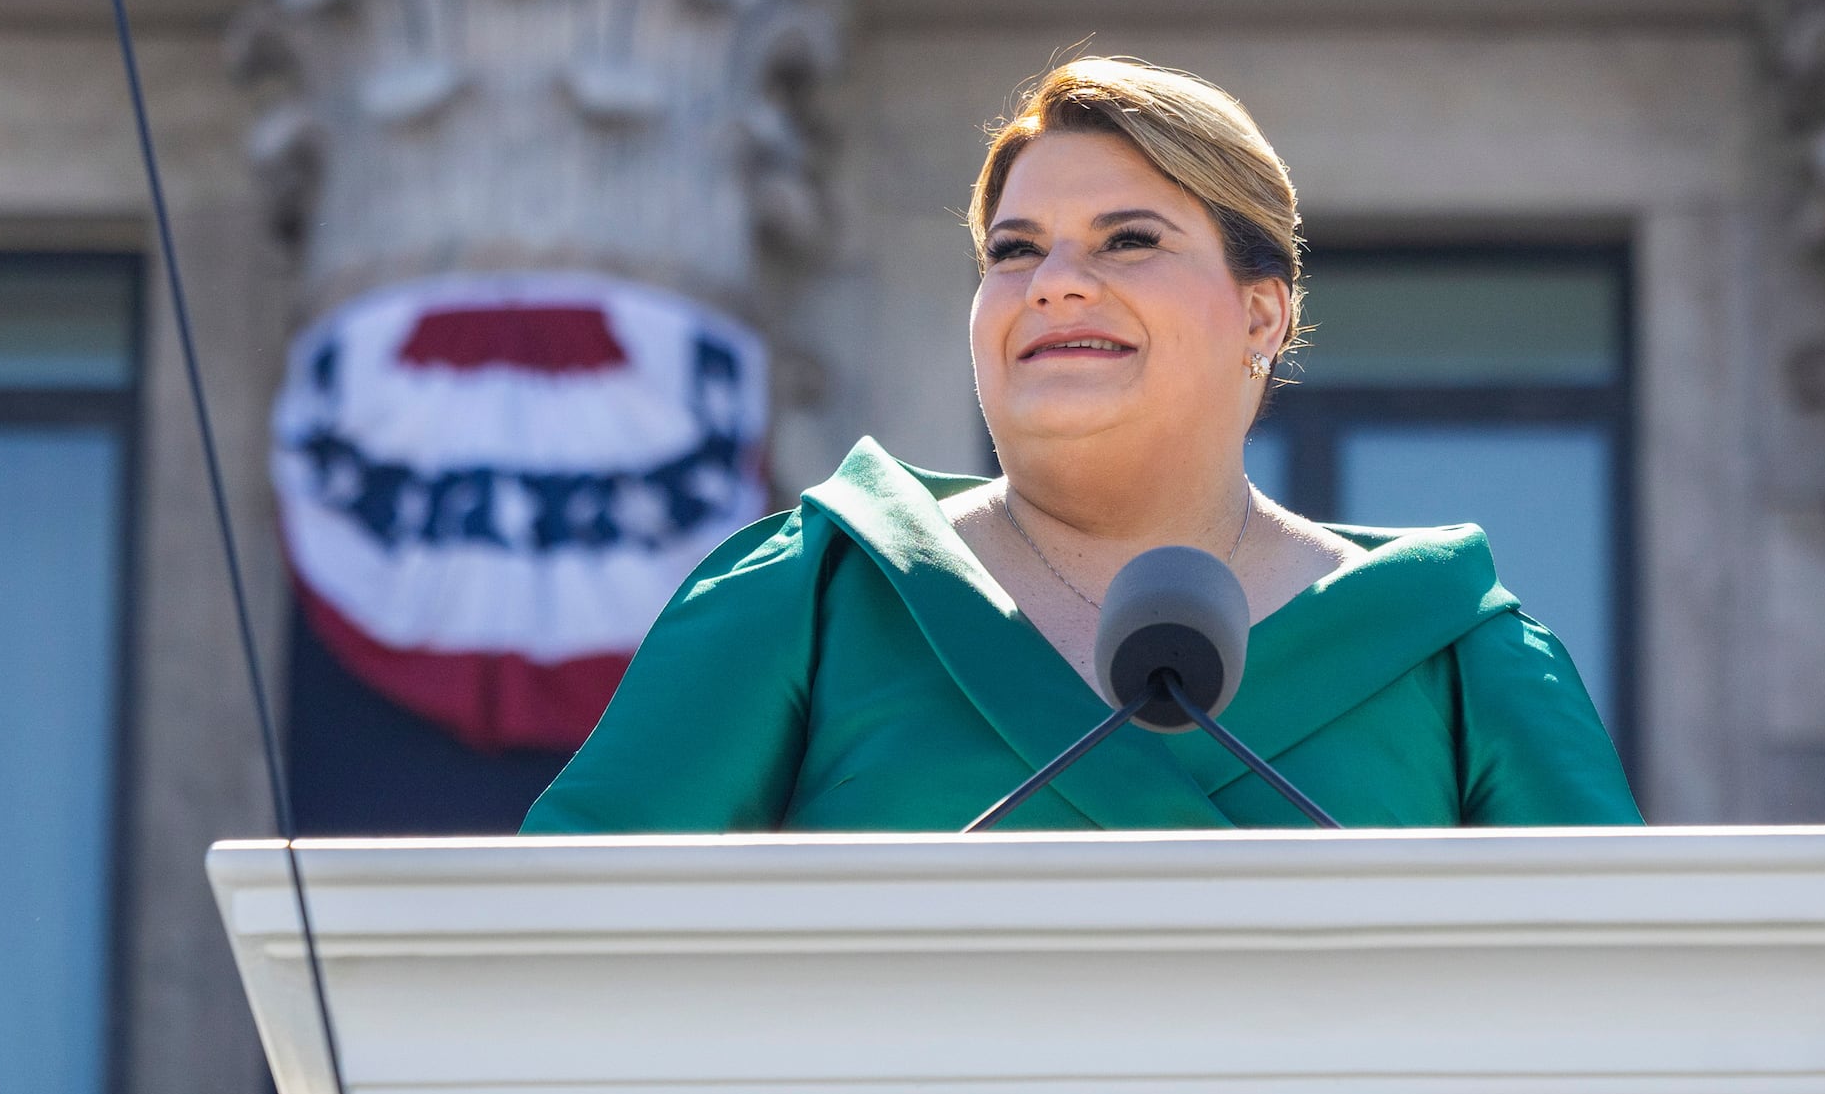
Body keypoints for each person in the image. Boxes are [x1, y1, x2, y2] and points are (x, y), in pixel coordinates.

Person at [524, 55, 1641, 833]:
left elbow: (1638, 1015)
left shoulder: (1453, 651)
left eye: (1128, 239)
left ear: (1262, 315)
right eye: (1014, 251)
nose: (1055, 283)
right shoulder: (816, 596)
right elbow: (546, 969)